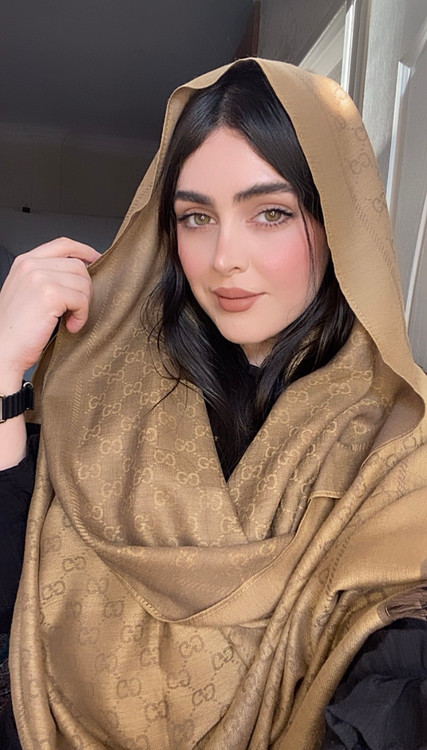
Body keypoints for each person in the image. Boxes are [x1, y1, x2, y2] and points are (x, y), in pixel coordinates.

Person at [0, 58, 426, 749]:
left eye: (270, 213)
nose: (224, 256)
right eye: (196, 217)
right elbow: (11, 599)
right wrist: (2, 371)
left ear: (338, 223)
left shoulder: (402, 449)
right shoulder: (96, 387)